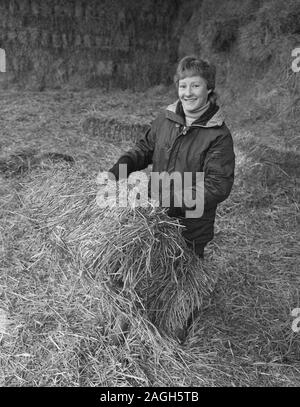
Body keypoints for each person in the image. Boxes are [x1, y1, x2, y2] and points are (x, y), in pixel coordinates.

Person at [108, 55, 235, 260]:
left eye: (195, 86)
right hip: (155, 217)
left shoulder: (218, 135)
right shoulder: (166, 118)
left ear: (209, 88)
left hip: (191, 225)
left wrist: (171, 201)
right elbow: (146, 147)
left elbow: (217, 185)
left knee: (182, 279)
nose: (188, 93)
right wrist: (123, 165)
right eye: (183, 86)